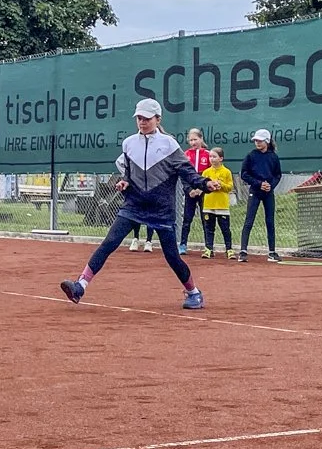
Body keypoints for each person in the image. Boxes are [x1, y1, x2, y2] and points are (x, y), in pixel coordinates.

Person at [61, 98, 211, 309]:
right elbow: (130, 174)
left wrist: (204, 183)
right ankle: (80, 286)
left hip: (162, 210)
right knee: (109, 242)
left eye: (147, 118)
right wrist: (125, 182)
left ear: (158, 119)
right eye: (139, 118)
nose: (142, 122)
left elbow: (187, 172)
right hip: (133, 206)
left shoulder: (169, 145)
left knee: (172, 257)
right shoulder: (129, 143)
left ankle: (194, 292)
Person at [238, 129, 282, 262]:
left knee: (270, 221)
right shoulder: (251, 155)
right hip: (255, 192)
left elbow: (277, 175)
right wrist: (258, 183)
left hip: (268, 193)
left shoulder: (273, 157)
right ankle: (243, 251)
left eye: (260, 140)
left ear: (267, 141)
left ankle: (272, 252)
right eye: (256, 140)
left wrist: (270, 185)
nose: (257, 143)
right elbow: (244, 174)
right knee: (249, 220)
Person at [179, 127, 214, 253]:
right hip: (190, 192)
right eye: (191, 140)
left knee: (206, 218)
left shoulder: (208, 154)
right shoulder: (186, 154)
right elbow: (183, 175)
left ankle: (208, 247)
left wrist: (202, 189)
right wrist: (189, 190)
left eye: (195, 139)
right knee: (187, 219)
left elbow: (210, 175)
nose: (193, 142)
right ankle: (183, 245)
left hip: (204, 192)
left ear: (201, 139)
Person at [200, 147, 237, 257]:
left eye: (214, 156)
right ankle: (208, 249)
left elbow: (230, 187)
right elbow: (202, 186)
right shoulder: (206, 172)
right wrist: (209, 186)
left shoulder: (226, 172)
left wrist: (221, 185)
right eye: (210, 156)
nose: (211, 159)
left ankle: (229, 249)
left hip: (222, 206)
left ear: (221, 158)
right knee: (209, 228)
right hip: (208, 204)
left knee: (225, 229)